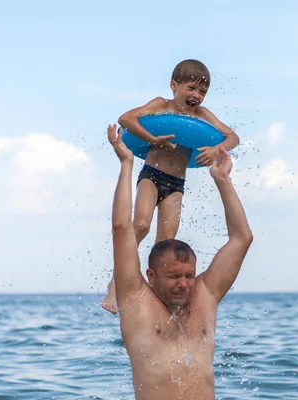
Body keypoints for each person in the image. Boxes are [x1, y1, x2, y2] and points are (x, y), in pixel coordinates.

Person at [106, 123, 253, 399]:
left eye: (188, 275)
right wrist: (126, 164)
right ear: (151, 276)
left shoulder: (205, 296)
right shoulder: (135, 300)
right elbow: (122, 228)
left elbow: (241, 239)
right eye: (173, 277)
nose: (184, 284)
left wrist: (223, 180)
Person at [101, 59, 241, 314]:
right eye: (191, 88)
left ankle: (157, 300)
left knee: (166, 244)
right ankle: (115, 284)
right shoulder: (160, 105)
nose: (197, 96)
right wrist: (154, 139)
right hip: (151, 175)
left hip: (177, 184)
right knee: (140, 224)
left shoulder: (203, 115)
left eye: (202, 92)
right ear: (174, 85)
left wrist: (216, 149)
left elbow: (233, 137)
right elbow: (127, 118)